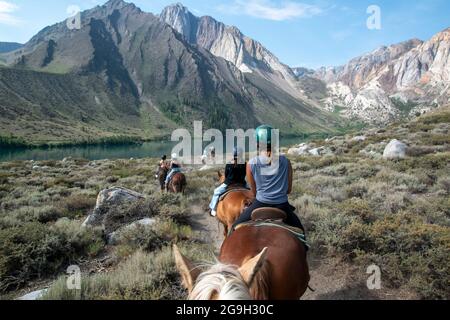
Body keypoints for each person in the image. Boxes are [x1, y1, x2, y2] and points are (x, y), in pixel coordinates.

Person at [232, 125, 304, 231]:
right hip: (282, 205)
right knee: (301, 232)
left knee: (234, 227)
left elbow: (254, 192)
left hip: (260, 203)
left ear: (257, 143)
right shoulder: (286, 161)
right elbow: (288, 190)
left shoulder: (251, 164)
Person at [209, 147, 247, 217]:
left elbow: (226, 175)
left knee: (216, 192)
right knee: (253, 193)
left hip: (229, 183)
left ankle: (213, 209)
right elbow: (246, 173)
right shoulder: (245, 163)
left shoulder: (229, 163)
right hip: (242, 183)